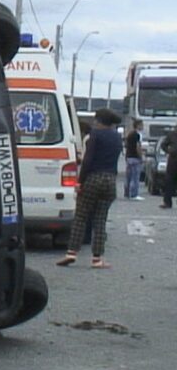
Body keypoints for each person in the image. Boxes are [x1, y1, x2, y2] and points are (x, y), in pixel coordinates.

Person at [57, 108, 123, 269]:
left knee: (81, 216)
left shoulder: (95, 136)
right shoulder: (117, 138)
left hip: (93, 178)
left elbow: (88, 160)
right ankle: (97, 258)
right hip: (110, 180)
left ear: (99, 121)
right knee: (100, 219)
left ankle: (71, 252)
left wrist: (80, 181)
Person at [124, 119, 145, 200]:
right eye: (142, 125)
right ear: (138, 125)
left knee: (128, 177)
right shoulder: (137, 135)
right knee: (135, 177)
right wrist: (141, 156)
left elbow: (126, 145)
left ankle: (126, 193)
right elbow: (138, 147)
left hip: (129, 157)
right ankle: (134, 194)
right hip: (135, 158)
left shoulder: (130, 134)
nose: (143, 126)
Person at [159, 127, 177, 208]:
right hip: (173, 160)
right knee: (169, 181)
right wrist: (168, 151)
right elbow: (163, 145)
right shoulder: (172, 135)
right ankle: (167, 202)